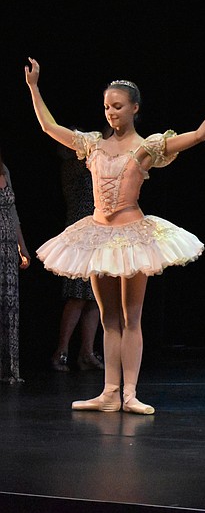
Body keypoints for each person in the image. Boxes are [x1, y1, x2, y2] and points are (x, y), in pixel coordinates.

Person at [26, 58, 205, 413]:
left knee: (131, 316)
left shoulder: (148, 147)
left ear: (135, 108)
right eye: (107, 106)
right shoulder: (92, 144)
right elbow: (50, 127)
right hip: (97, 234)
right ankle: (110, 392)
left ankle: (130, 394)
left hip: (133, 234)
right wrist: (34, 87)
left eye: (118, 106)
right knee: (108, 318)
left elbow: (199, 135)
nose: (111, 112)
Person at [50, 141, 101, 372]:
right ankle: (62, 351)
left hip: (98, 233)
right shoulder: (74, 166)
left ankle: (87, 353)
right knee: (77, 295)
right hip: (81, 236)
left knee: (95, 297)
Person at [0, 150, 31, 383]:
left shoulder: (4, 169)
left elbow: (13, 211)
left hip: (8, 249)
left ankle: (8, 370)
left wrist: (22, 247)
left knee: (8, 308)